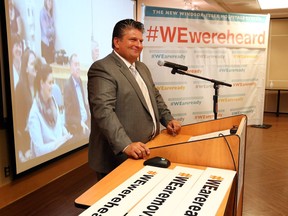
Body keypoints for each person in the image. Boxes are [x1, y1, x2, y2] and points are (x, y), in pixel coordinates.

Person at [87, 19, 181, 179]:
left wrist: (168, 119)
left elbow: (154, 96)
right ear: (116, 42)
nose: (138, 45)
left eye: (141, 40)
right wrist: (125, 144)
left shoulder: (141, 67)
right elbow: (104, 111)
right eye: (133, 40)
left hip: (147, 149)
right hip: (119, 157)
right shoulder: (103, 68)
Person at [27, 63, 72, 157]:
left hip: (61, 152)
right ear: (42, 83)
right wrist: (57, 143)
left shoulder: (53, 101)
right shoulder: (34, 114)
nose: (53, 86)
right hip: (48, 162)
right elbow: (39, 151)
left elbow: (59, 125)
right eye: (50, 83)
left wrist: (67, 135)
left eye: (53, 82)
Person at [15, 48, 37, 162]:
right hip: (26, 143)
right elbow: (19, 126)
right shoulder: (20, 88)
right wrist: (25, 149)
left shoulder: (38, 85)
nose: (36, 67)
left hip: (38, 138)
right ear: (26, 68)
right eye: (33, 64)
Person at [63, 53, 90, 138]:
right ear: (70, 67)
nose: (78, 67)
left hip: (87, 120)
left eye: (79, 65)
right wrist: (80, 122)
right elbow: (69, 116)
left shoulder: (80, 81)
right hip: (79, 125)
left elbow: (82, 104)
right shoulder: (68, 87)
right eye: (75, 65)